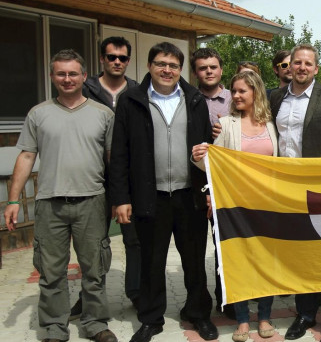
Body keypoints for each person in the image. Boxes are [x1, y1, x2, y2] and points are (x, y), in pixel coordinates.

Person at [4, 49, 117, 342]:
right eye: (61, 74)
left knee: (94, 269)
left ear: (83, 76)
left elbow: (112, 160)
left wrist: (119, 199)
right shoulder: (38, 114)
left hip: (91, 201)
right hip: (49, 204)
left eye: (73, 73)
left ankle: (94, 324)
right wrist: (13, 201)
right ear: (53, 76)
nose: (67, 79)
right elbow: (27, 156)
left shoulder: (103, 114)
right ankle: (55, 327)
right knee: (51, 272)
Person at [110, 42, 216, 342]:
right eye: (160, 64)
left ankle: (197, 314)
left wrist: (207, 190)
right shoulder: (132, 100)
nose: (166, 70)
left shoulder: (195, 99)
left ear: (180, 69)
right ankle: (151, 318)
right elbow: (119, 153)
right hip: (149, 196)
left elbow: (207, 150)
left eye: (173, 65)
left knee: (194, 260)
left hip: (189, 195)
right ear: (149, 66)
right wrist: (121, 198)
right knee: (151, 262)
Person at [269, 44, 321, 342]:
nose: (302, 67)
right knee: (299, 254)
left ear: (316, 69)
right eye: (297, 63)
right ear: (289, 66)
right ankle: (304, 314)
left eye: (308, 63)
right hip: (286, 190)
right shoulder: (275, 96)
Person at [192, 71, 278, 342]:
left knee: (266, 263)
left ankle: (264, 316)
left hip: (266, 205)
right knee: (238, 263)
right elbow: (213, 163)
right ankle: (242, 320)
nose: (236, 95)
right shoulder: (226, 124)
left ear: (256, 93)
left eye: (242, 91)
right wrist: (197, 158)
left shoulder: (271, 124)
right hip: (234, 206)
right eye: (234, 91)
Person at [69, 36, 141, 320]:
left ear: (128, 61)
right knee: (94, 244)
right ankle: (88, 298)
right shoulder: (84, 89)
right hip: (93, 179)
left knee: (134, 242)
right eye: (111, 57)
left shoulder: (138, 91)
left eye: (122, 58)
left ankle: (136, 293)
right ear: (102, 59)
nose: (117, 62)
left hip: (130, 180)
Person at [190, 47, 236, 318]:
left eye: (213, 67)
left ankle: (228, 299)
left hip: (229, 183)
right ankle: (198, 302)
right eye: (203, 67)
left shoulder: (235, 98)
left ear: (221, 70)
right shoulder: (188, 99)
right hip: (196, 181)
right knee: (195, 246)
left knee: (227, 245)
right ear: (195, 72)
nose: (208, 71)